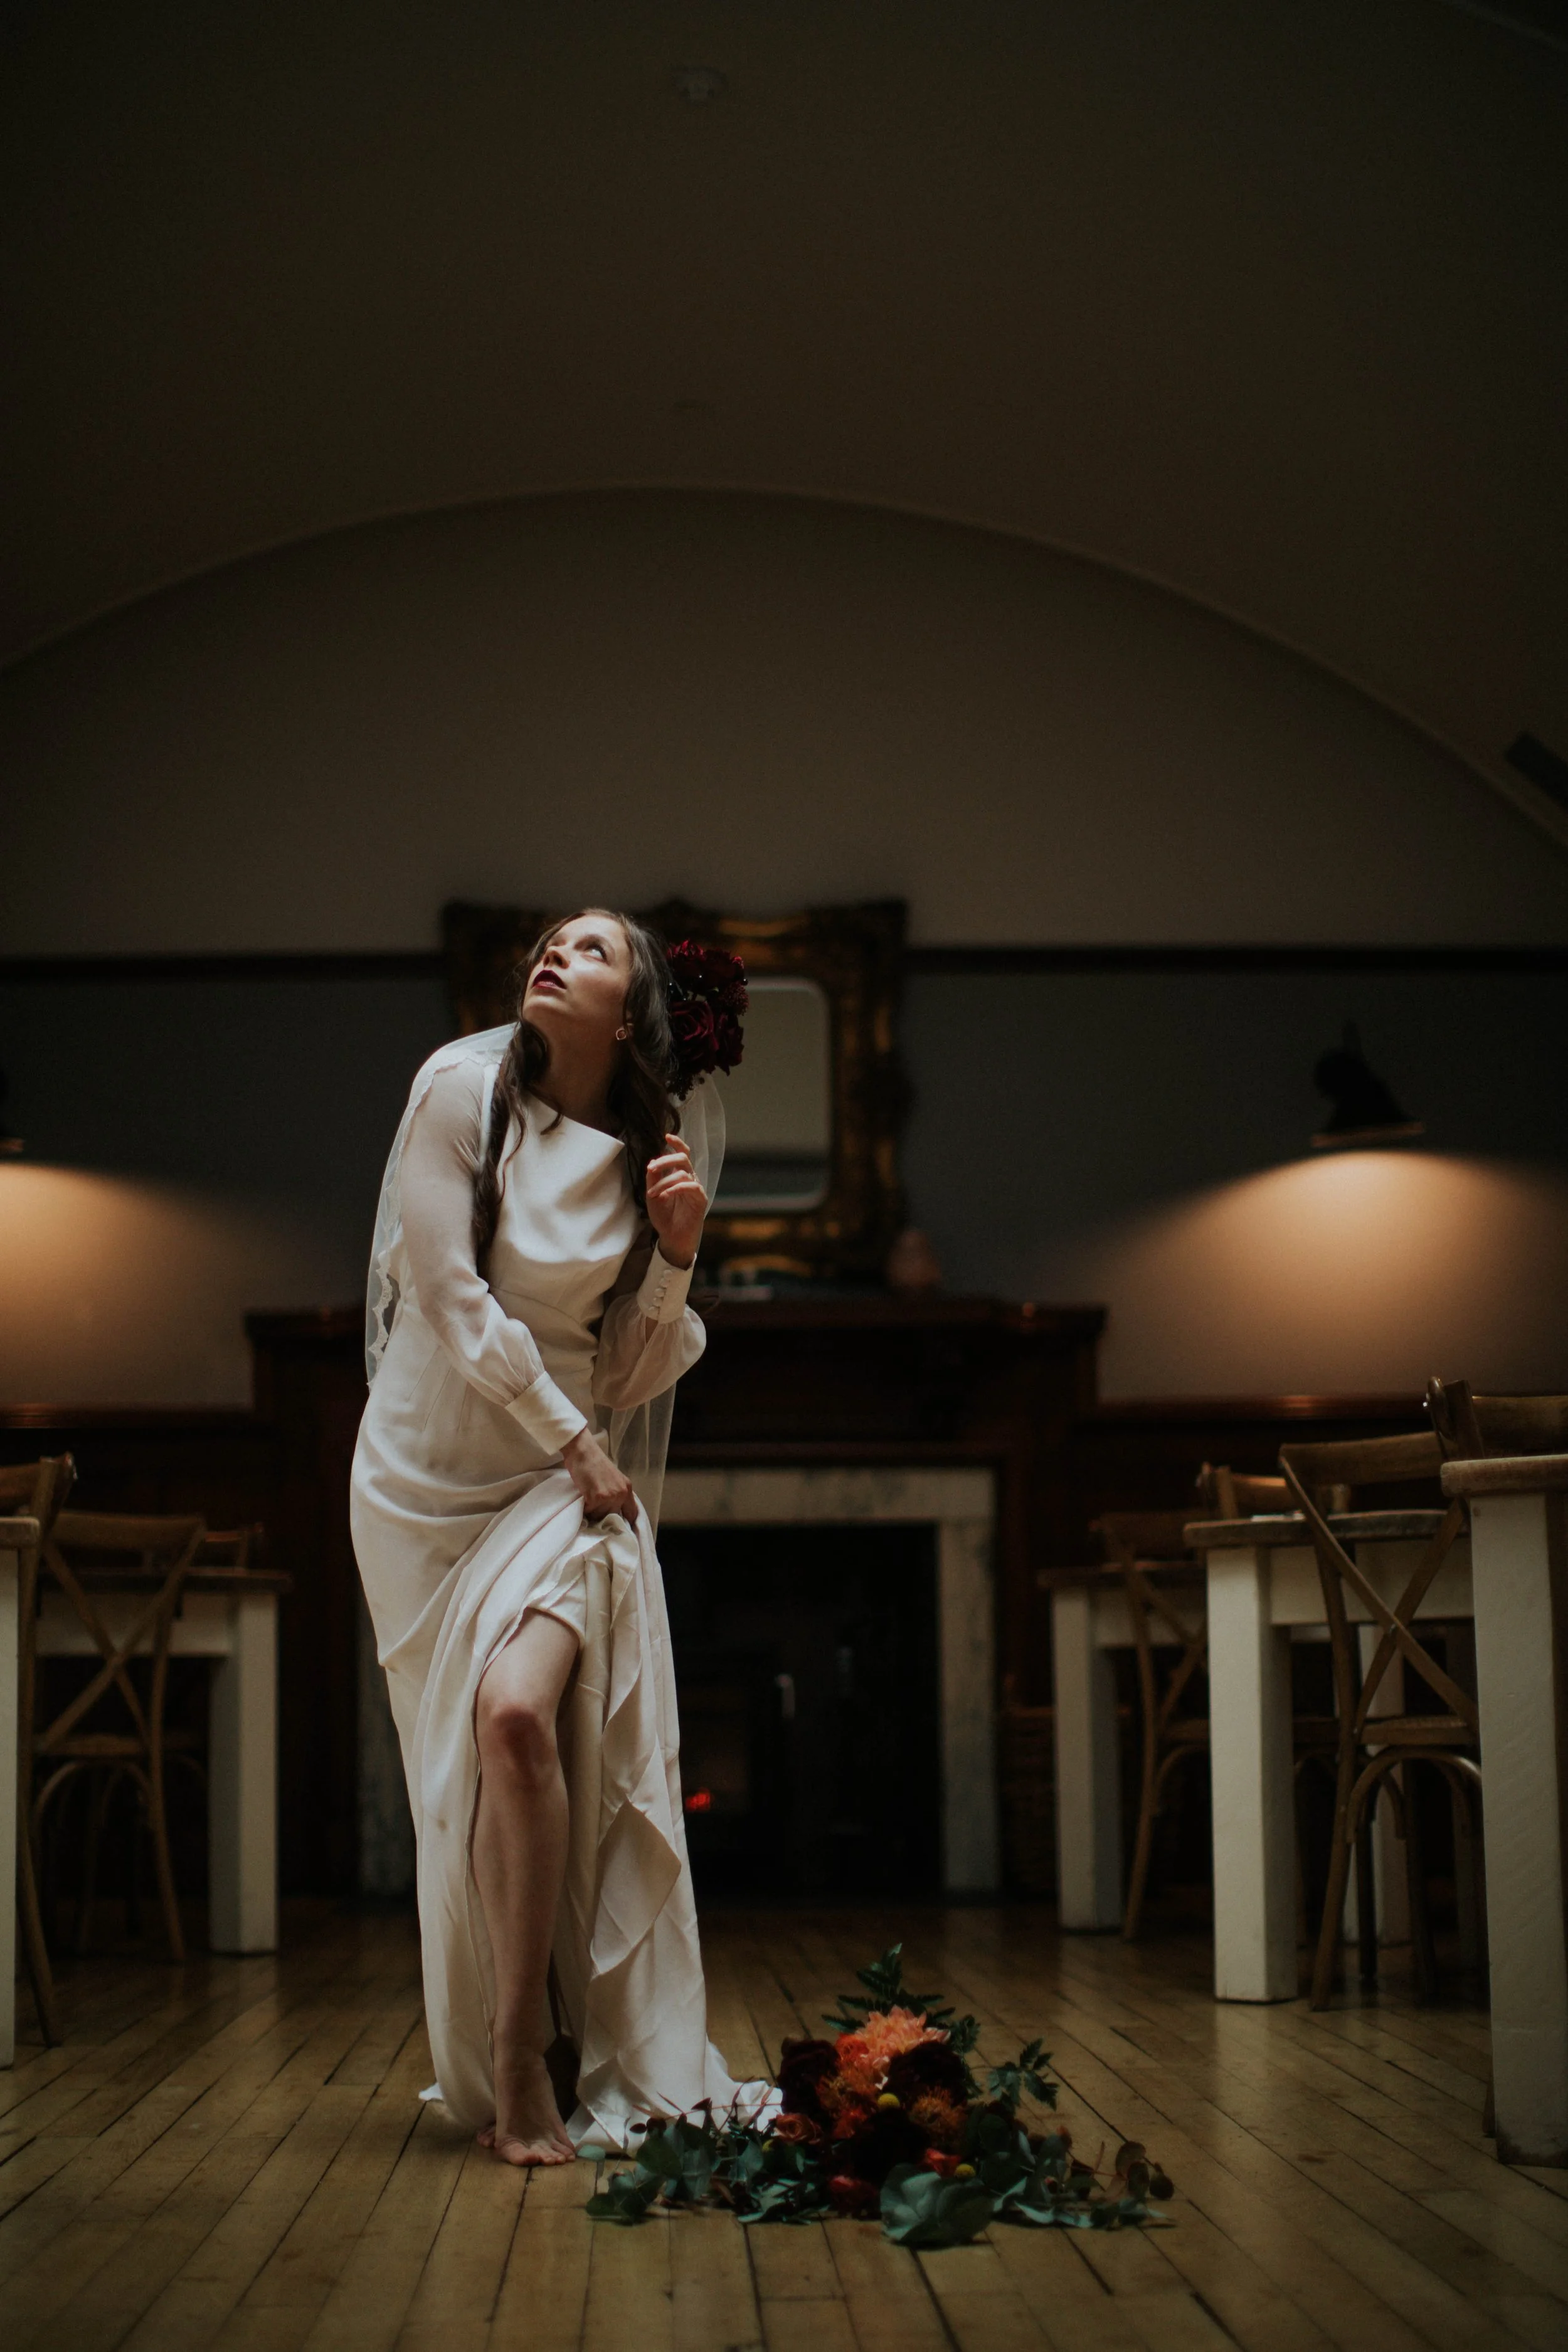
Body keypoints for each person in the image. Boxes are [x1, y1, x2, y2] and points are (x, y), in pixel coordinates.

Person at [351, 908, 770, 2165]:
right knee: (472, 1768)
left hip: (555, 1491)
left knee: (520, 1720)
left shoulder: (650, 1162)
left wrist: (676, 1259)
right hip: (422, 1486)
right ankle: (515, 2059)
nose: (553, 955)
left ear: (628, 1013)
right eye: (549, 940)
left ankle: (526, 2065)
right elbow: (446, 1297)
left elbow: (629, 1374)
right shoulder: (458, 1091)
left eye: (591, 952)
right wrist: (574, 1439)